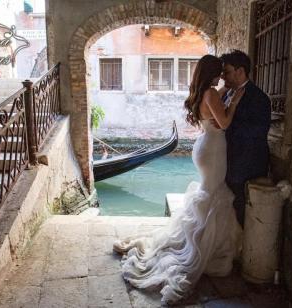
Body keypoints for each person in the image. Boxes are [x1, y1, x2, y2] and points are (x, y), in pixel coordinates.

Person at [113, 55, 244, 304]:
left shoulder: (203, 91)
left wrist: (227, 90)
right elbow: (225, 122)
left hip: (205, 146)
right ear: (213, 73)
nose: (223, 77)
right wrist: (235, 101)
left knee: (210, 194)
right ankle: (202, 250)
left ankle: (204, 244)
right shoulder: (212, 94)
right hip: (215, 150)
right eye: (221, 73)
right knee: (213, 195)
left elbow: (213, 110)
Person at [218, 50, 271, 228]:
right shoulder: (226, 94)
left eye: (227, 72)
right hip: (226, 162)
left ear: (240, 71)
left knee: (241, 209)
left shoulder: (259, 98)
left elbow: (257, 133)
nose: (223, 76)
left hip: (245, 164)